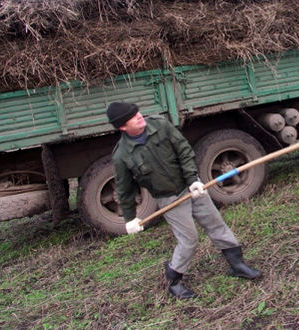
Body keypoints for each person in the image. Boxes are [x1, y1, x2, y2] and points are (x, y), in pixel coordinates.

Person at [106, 102, 261, 299]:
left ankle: (237, 265)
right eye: (133, 116)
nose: (139, 116)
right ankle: (173, 280)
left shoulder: (160, 125)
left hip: (191, 187)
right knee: (188, 239)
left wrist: (193, 180)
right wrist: (129, 218)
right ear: (122, 127)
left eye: (137, 112)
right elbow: (124, 188)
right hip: (168, 198)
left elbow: (184, 150)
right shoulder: (122, 155)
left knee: (215, 224)